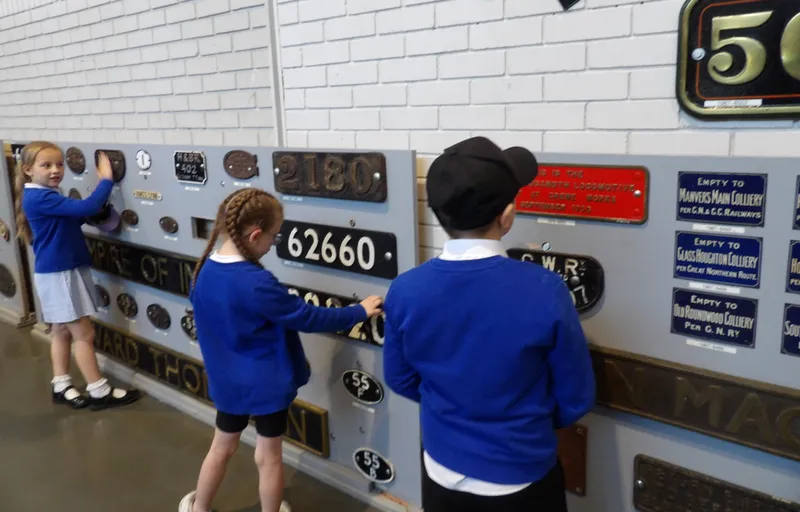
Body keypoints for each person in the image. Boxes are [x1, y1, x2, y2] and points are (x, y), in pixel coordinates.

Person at [382, 137, 596, 512]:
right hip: (522, 474)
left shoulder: (405, 290)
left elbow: (400, 378)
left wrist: (453, 408)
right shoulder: (545, 289)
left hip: (440, 471)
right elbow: (575, 396)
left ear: (438, 215)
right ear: (508, 216)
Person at [180, 188, 384, 512]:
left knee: (221, 447)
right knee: (269, 455)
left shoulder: (204, 269)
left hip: (227, 382)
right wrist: (357, 311)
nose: (273, 245)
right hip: (265, 384)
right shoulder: (257, 283)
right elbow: (308, 316)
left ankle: (199, 507)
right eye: (274, 238)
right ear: (256, 234)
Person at [15, 140, 141, 411]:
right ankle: (99, 390)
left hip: (56, 272)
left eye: (59, 164)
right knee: (83, 334)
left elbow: (71, 219)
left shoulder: (44, 194)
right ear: (27, 170)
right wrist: (106, 180)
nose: (55, 170)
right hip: (61, 274)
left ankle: (61, 385)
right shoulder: (42, 197)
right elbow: (85, 208)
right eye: (46, 165)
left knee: (61, 331)